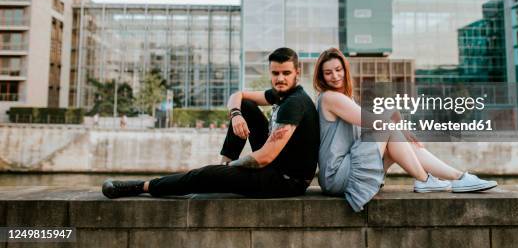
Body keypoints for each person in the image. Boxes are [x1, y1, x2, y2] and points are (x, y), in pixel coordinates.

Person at [102, 47, 319, 199]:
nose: (280, 78)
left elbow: (264, 158)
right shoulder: (280, 94)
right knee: (245, 107)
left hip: (286, 181)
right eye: (275, 73)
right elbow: (238, 95)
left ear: (297, 74)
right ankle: (223, 166)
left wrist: (226, 171)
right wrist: (236, 114)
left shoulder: (295, 103)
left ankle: (141, 187)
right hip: (277, 166)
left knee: (204, 175)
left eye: (286, 73)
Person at [314, 48, 497, 212]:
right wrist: (396, 119)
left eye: (339, 70)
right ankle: (427, 180)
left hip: (349, 167)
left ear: (345, 70)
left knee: (397, 140)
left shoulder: (345, 98)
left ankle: (457, 177)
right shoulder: (330, 97)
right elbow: (373, 122)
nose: (335, 76)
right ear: (322, 77)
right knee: (390, 129)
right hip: (337, 176)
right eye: (328, 73)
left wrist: (398, 125)